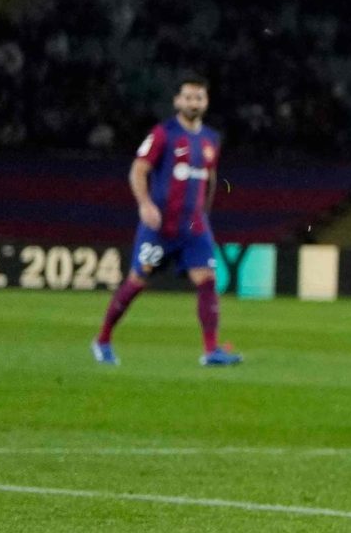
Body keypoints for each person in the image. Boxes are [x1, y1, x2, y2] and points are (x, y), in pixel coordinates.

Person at [92, 76, 241, 366]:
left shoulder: (211, 139)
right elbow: (138, 170)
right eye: (188, 97)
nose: (193, 103)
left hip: (194, 227)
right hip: (160, 227)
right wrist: (145, 204)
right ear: (177, 101)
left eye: (198, 98)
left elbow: (209, 180)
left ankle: (211, 351)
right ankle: (103, 340)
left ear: (206, 102)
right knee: (137, 282)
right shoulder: (164, 134)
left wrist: (204, 215)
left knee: (207, 281)